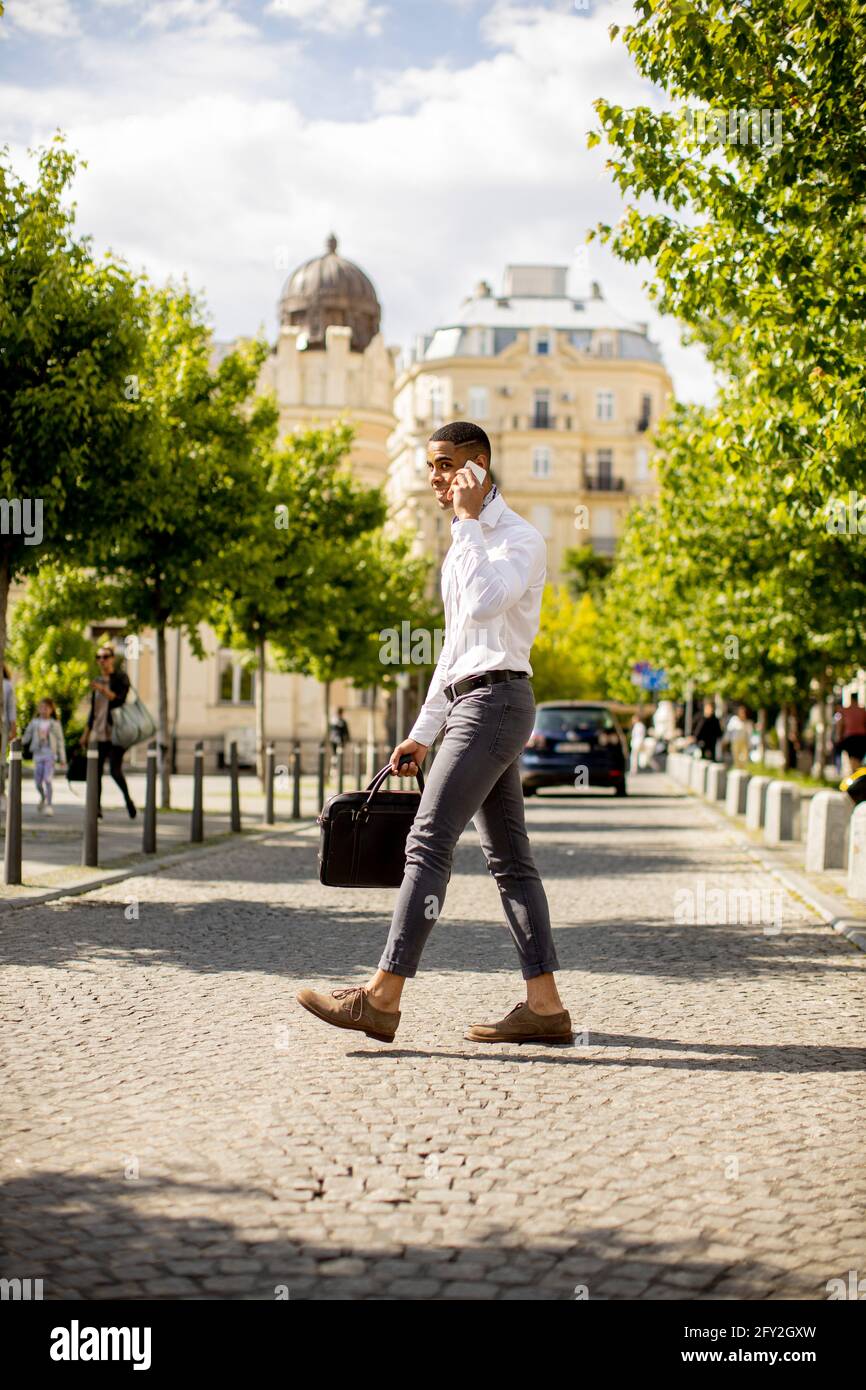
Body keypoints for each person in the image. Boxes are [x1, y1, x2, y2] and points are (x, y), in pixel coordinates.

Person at [297, 420, 571, 1046]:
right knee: (510, 860)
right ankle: (546, 1006)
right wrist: (422, 731)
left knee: (427, 839)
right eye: (432, 467)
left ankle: (381, 998)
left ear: (477, 467)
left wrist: (471, 523)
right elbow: (454, 649)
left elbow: (483, 605)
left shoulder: (517, 539)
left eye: (445, 466)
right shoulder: (464, 542)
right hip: (474, 702)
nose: (435, 480)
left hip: (498, 702)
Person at [79, 644, 136, 819]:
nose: (102, 660)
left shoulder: (121, 678)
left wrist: (103, 689)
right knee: (95, 772)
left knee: (114, 771)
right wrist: (86, 734)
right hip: (99, 731)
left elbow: (120, 700)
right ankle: (96, 808)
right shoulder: (97, 680)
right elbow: (94, 710)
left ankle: (128, 800)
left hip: (116, 732)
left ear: (112, 658)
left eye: (105, 657)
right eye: (99, 657)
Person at [23, 698, 66, 816]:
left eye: (46, 708)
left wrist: (63, 759)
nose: (43, 710)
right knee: (37, 781)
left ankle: (49, 805)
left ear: (51, 710)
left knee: (48, 779)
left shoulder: (55, 724)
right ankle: (43, 797)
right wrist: (17, 743)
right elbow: (26, 736)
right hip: (38, 754)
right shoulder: (34, 722)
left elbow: (60, 741)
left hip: (50, 755)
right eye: (41, 708)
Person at [0, 662, 17, 800]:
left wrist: (13, 728)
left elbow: (11, 708)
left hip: (3, 725)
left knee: (2, 757)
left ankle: (1, 788)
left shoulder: (7, 685)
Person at [839, 693, 866, 773]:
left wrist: (840, 736)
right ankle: (857, 777)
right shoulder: (862, 710)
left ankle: (855, 776)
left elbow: (841, 725)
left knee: (852, 759)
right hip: (861, 737)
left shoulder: (846, 710)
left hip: (850, 737)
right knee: (858, 759)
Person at [725, 704, 753, 769]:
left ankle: (743, 771)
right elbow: (729, 731)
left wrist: (750, 745)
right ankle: (738, 770)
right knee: (736, 758)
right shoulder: (734, 720)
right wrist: (726, 741)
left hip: (744, 743)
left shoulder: (748, 723)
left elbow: (749, 734)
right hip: (735, 742)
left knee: (744, 758)